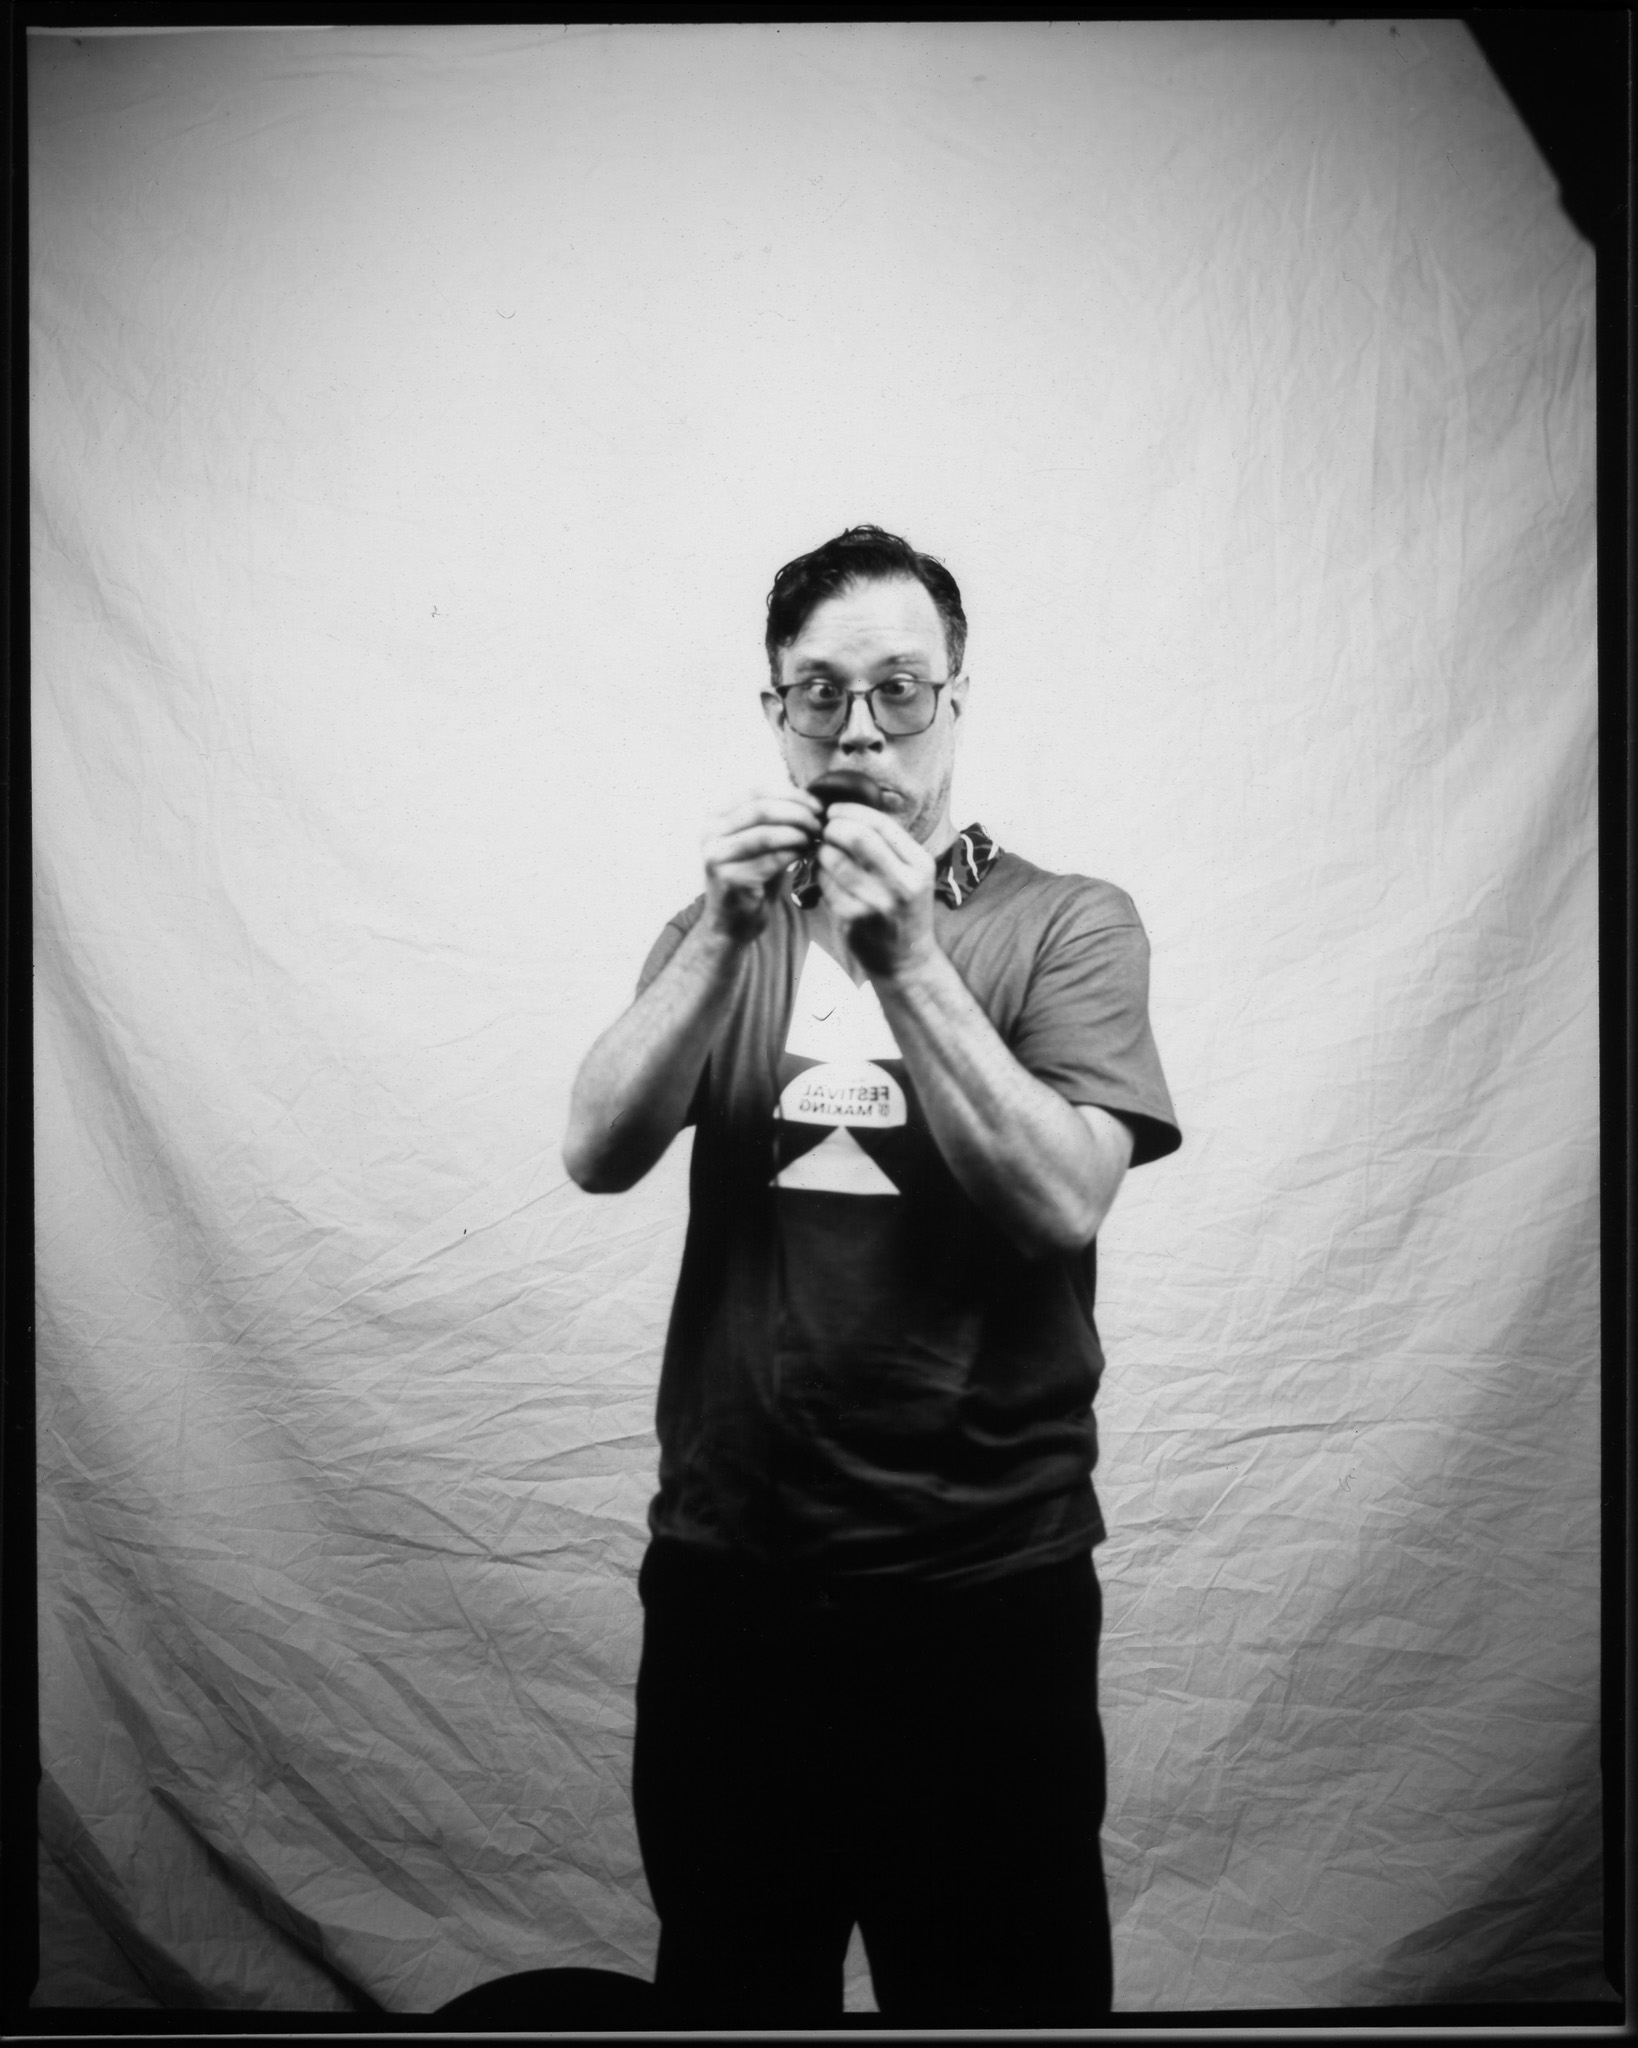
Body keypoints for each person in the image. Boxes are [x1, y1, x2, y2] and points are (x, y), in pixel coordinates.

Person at [562, 525, 1181, 2027]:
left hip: (983, 1595)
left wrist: (906, 962)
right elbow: (596, 1145)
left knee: (997, 2005)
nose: (858, 733)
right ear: (771, 711)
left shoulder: (1064, 920)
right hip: (732, 1587)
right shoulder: (720, 931)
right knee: (733, 1988)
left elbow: (1059, 1198)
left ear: (957, 701)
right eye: (818, 695)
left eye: (901, 691)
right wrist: (717, 930)